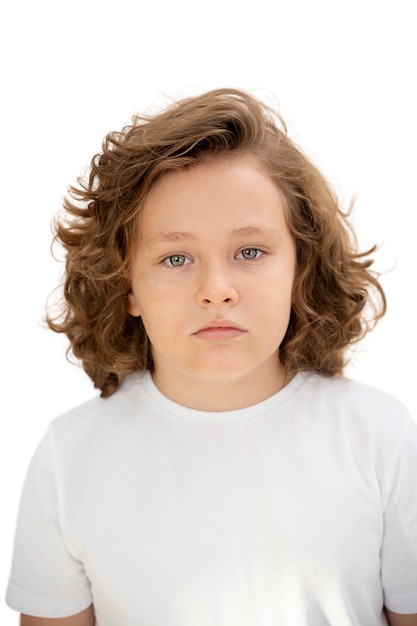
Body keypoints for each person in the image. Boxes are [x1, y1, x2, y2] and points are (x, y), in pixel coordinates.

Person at [6, 88, 417, 626]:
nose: (216, 289)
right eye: (176, 257)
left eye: (250, 252)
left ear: (301, 268)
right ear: (126, 284)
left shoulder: (381, 437)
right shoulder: (69, 459)